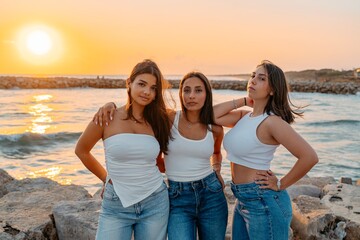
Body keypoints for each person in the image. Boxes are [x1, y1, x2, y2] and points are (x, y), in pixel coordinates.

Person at [94, 71, 228, 240]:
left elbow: (216, 152)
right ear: (180, 93)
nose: (191, 96)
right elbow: (140, 110)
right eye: (186, 90)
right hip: (178, 197)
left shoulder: (215, 128)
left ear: (207, 94)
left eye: (198, 90)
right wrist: (110, 104)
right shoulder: (168, 118)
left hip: (211, 194)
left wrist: (217, 168)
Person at [213, 60, 319, 240]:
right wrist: (245, 100)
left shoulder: (272, 122)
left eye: (261, 78)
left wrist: (281, 184)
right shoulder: (245, 116)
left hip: (263, 201)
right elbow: (211, 115)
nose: (253, 80)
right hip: (242, 199)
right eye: (252, 76)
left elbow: (309, 157)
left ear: (272, 90)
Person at [75, 59, 172, 240]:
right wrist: (106, 178)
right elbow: (81, 150)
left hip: (155, 201)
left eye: (153, 88)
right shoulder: (108, 116)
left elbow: (160, 162)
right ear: (129, 83)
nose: (147, 92)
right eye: (142, 84)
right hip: (116, 204)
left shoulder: (160, 120)